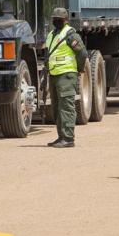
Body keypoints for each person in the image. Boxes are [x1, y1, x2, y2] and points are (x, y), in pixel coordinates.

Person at [44, 8, 87, 149]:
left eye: (59, 19)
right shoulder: (51, 34)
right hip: (55, 74)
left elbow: (82, 54)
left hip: (67, 74)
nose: (56, 21)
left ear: (66, 20)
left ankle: (68, 138)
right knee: (56, 108)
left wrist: (79, 69)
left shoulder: (70, 35)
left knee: (66, 107)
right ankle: (61, 136)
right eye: (54, 19)